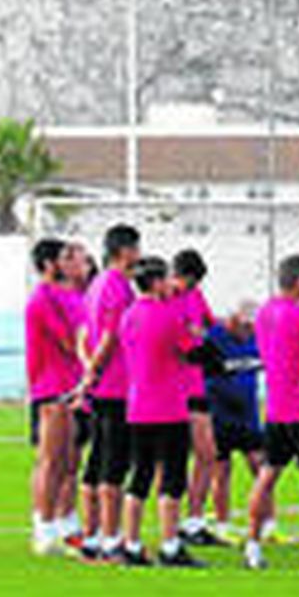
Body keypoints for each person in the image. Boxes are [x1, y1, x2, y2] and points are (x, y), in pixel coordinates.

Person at [243, 255, 299, 571]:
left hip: (277, 407)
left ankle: (252, 547)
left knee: (267, 476)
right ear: (298, 282)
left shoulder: (265, 312)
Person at [114, 256, 206, 567]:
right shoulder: (168, 316)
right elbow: (193, 351)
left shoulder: (127, 317)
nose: (171, 284)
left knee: (139, 477)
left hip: (138, 407)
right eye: (166, 279)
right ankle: (169, 546)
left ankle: (132, 544)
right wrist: (200, 338)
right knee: (172, 480)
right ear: (155, 283)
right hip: (169, 408)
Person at [76, 224, 141, 563]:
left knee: (96, 461)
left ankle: (91, 538)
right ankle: (110, 538)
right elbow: (109, 337)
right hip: (116, 386)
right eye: (136, 248)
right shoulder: (118, 285)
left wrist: (88, 369)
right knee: (113, 466)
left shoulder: (95, 284)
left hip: (102, 387)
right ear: (125, 251)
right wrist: (95, 369)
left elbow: (84, 333)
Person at [202, 302, 275, 542]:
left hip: (248, 417)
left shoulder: (259, 340)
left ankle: (269, 525)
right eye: (245, 325)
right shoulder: (214, 337)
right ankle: (223, 525)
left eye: (252, 326)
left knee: (261, 467)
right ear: (232, 320)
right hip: (219, 416)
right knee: (221, 471)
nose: (249, 330)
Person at [25, 237, 79, 557]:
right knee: (50, 458)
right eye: (64, 257)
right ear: (49, 265)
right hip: (51, 387)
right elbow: (69, 342)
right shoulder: (43, 299)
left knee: (68, 458)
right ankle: (42, 527)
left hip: (69, 385)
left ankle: (60, 522)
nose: (70, 262)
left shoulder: (64, 295)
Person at [170, 249, 224, 547]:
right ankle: (176, 522)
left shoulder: (195, 296)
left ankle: (193, 521)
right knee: (173, 460)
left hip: (196, 385)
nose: (188, 288)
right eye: (185, 282)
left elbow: (208, 326)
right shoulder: (165, 298)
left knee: (207, 453)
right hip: (173, 388)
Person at [54, 241, 93, 548]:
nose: (87, 267)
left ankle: (67, 519)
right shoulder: (61, 299)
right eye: (82, 261)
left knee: (75, 460)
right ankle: (59, 520)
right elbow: (72, 343)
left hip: (88, 388)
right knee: (63, 460)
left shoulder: (89, 298)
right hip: (69, 389)